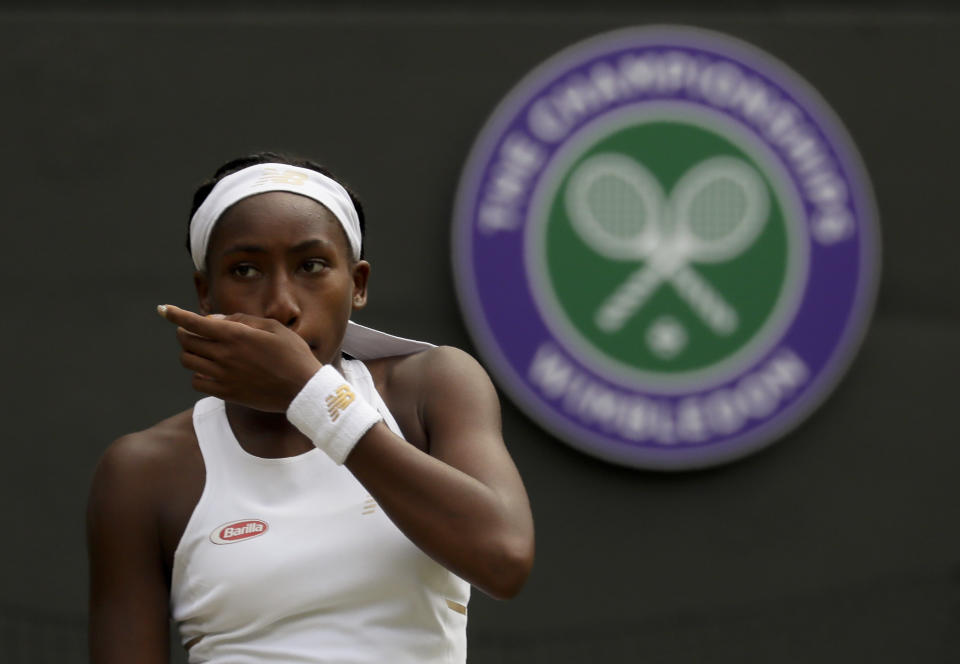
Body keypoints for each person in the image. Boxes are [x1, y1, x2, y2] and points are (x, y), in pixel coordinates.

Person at [86, 152, 535, 663]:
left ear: (358, 284)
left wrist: (313, 396)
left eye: (312, 265)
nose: (281, 304)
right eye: (246, 269)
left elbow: (504, 557)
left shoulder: (432, 386)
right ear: (205, 294)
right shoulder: (142, 471)